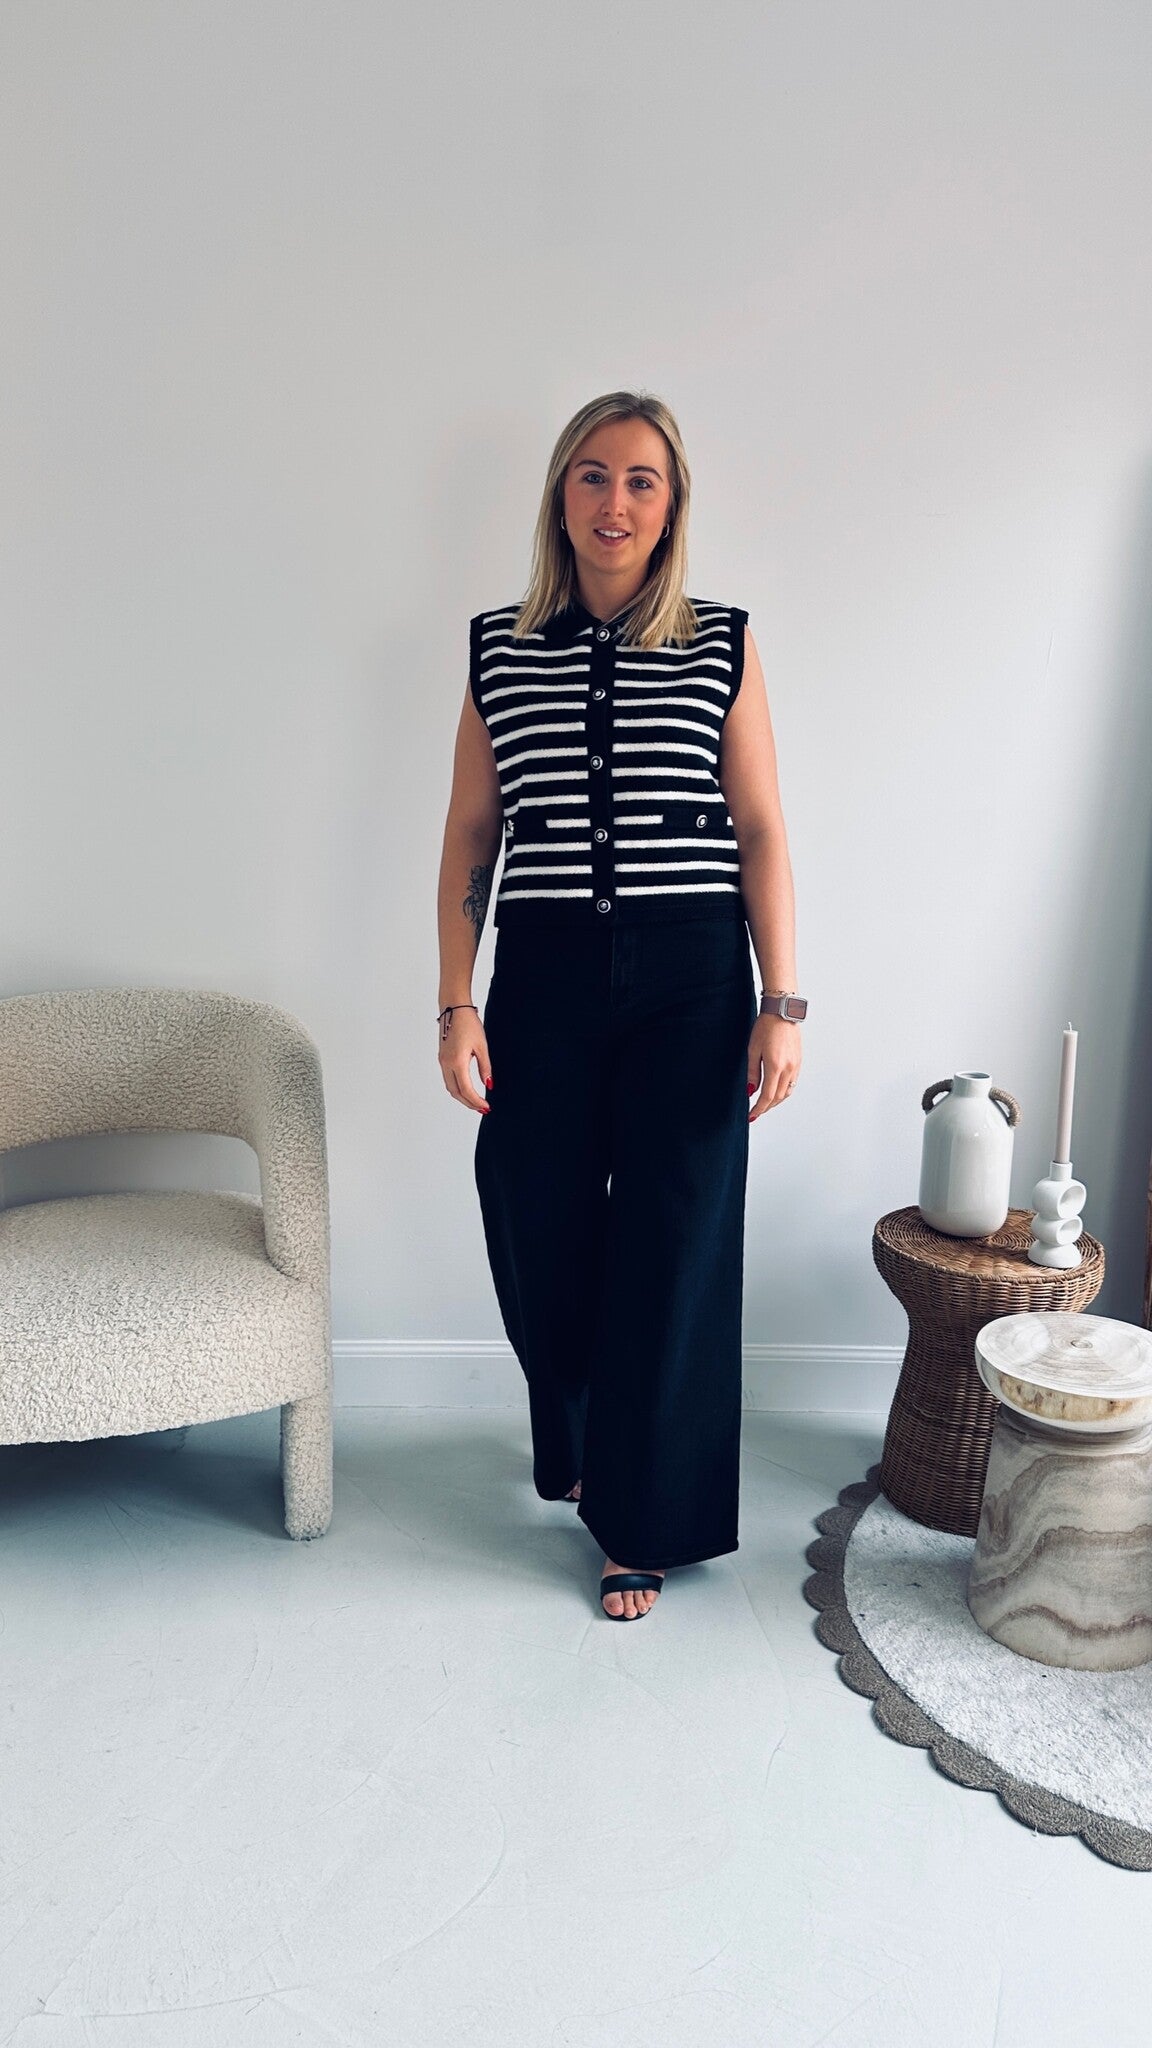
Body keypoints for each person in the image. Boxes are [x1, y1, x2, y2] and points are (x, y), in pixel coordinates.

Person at [436, 390, 803, 1621]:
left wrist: (783, 999)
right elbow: (471, 835)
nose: (616, 500)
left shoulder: (720, 641)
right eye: (593, 474)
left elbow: (761, 828)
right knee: (529, 1210)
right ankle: (584, 1432)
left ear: (672, 503)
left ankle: (635, 1518)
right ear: (561, 495)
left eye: (643, 479)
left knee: (672, 1238)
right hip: (542, 972)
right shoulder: (499, 648)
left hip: (693, 974)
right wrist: (455, 1001)